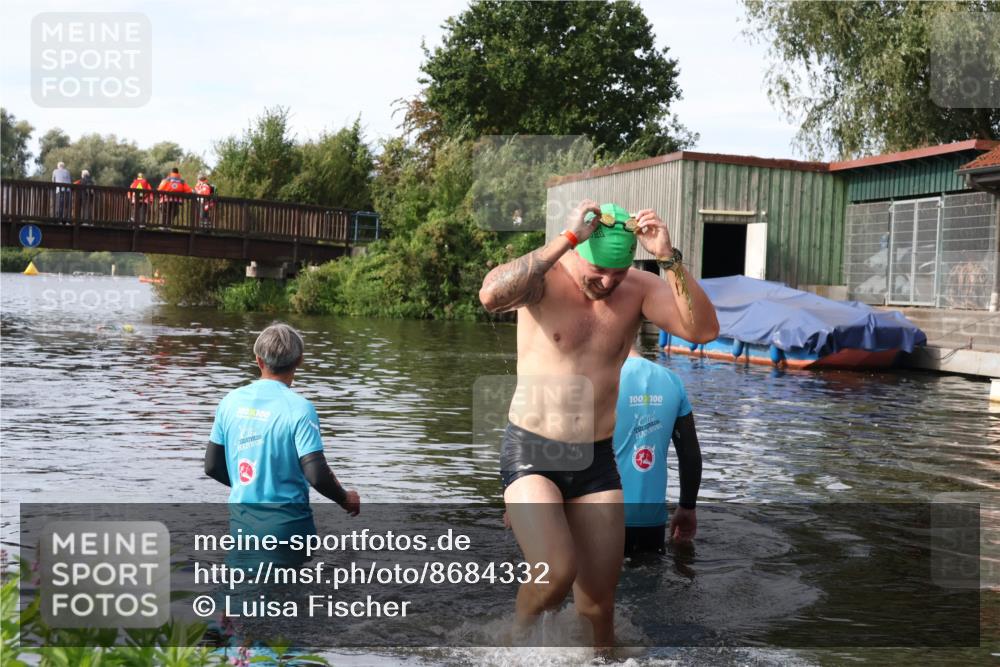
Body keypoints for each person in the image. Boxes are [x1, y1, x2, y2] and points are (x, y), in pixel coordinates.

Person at [479, 200, 719, 647]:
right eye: (598, 271)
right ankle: (512, 643)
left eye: (619, 273)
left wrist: (668, 258)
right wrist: (566, 238)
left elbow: (704, 331)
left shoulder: (641, 288)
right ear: (578, 250)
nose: (607, 283)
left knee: (598, 610)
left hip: (596, 459)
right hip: (534, 450)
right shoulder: (544, 277)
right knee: (554, 574)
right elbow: (491, 296)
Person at [204, 323, 361, 563]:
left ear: (258, 360)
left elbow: (212, 466)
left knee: (243, 594)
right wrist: (344, 498)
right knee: (289, 597)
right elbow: (316, 473)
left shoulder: (230, 402)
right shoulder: (300, 409)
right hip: (289, 531)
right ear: (299, 361)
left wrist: (251, 484)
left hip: (243, 530)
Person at [614, 348, 701, 556]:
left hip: (597, 518)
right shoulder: (671, 380)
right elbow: (689, 453)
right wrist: (687, 507)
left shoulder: (594, 377)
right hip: (651, 522)